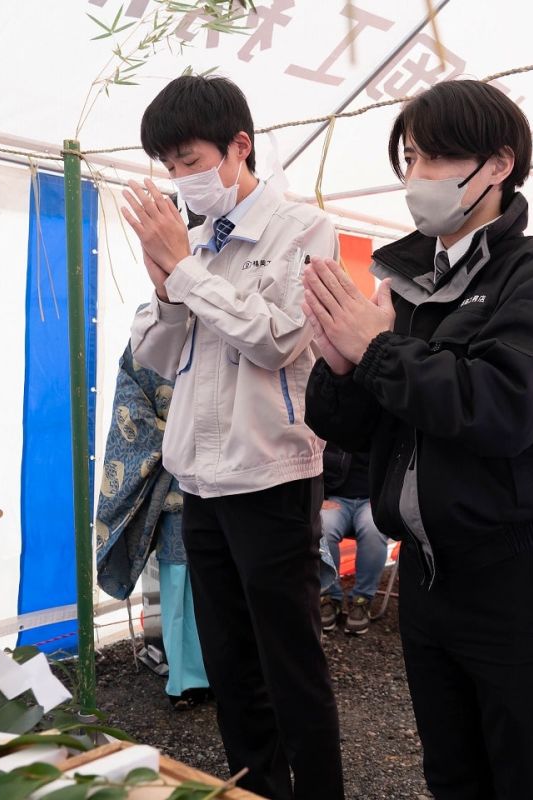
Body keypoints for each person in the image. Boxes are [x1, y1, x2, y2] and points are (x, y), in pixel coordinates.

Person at [301, 80, 533, 800]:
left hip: (514, 573)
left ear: (498, 165)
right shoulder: (404, 284)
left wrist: (378, 354)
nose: (417, 178)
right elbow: (353, 432)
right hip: (427, 575)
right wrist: (343, 369)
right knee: (451, 771)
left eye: (436, 157)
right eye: (409, 158)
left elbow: (503, 409)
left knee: (523, 770)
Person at [122, 75, 344, 800]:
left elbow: (279, 339)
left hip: (272, 473)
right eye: (168, 166)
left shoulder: (301, 227)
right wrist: (167, 287)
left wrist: (184, 272)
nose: (179, 179)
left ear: (238, 147)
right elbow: (154, 356)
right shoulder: (191, 242)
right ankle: (256, 788)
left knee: (290, 659)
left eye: (189, 160)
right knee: (229, 661)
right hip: (203, 480)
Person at [94, 336, 209, 709]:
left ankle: (238, 671)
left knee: (237, 578)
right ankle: (189, 678)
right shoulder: (149, 330)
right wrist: (182, 437)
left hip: (238, 473)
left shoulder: (236, 309)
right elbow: (132, 407)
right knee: (180, 584)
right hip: (176, 479)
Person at [319, 443, 388, 635]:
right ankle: (329, 596)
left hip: (373, 501)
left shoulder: (388, 425)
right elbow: (312, 461)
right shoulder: (335, 421)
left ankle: (362, 600)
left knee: (373, 530)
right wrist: (319, 498)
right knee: (322, 527)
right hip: (336, 499)